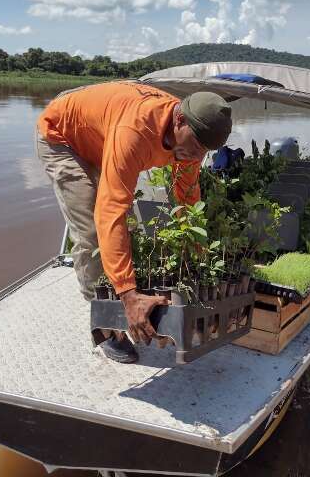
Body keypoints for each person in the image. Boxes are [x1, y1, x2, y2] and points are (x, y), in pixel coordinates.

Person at [36, 81, 232, 363]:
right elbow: (111, 210)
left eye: (206, 152)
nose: (198, 157)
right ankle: (105, 329)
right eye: (197, 146)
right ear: (179, 120)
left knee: (123, 226)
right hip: (62, 136)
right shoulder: (136, 130)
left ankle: (119, 293)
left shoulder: (189, 139)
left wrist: (197, 257)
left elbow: (188, 199)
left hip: (100, 135)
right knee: (93, 230)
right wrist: (129, 295)